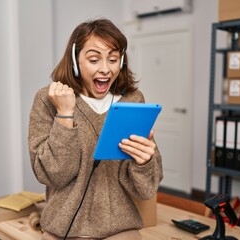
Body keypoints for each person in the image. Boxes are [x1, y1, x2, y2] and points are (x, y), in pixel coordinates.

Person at [28, 18, 163, 240]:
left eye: (113, 59)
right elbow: (51, 175)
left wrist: (145, 162)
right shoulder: (48, 99)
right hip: (64, 228)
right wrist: (64, 116)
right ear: (74, 60)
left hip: (119, 227)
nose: (105, 69)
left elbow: (146, 190)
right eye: (93, 59)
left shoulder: (133, 100)